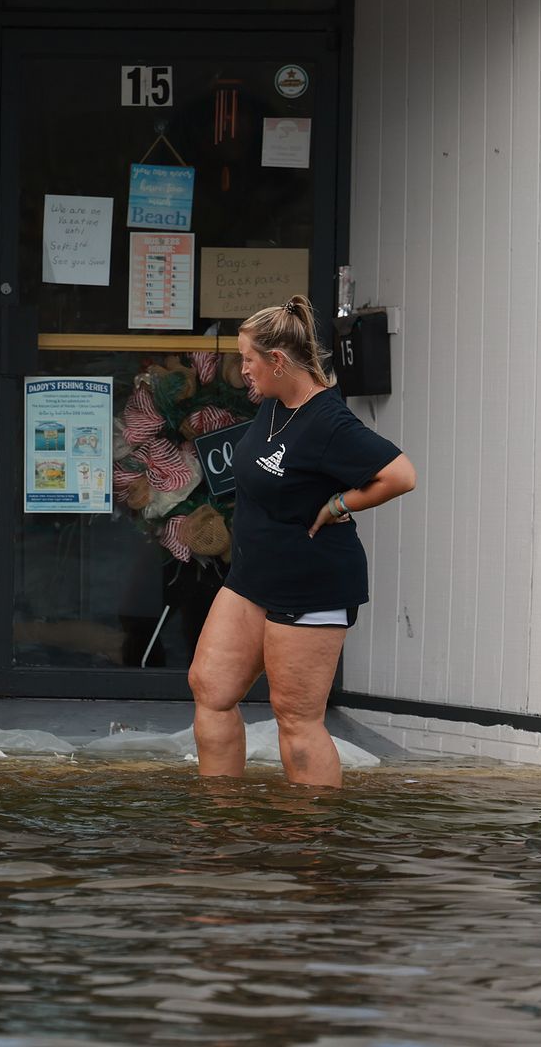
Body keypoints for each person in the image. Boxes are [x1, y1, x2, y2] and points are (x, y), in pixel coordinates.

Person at [188, 295, 416, 788]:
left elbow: (401, 475)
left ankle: (311, 846)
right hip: (251, 579)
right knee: (211, 690)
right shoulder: (274, 406)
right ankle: (219, 822)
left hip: (310, 585)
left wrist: (339, 506)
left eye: (248, 359)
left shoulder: (328, 422)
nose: (242, 369)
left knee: (295, 720)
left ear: (277, 360)